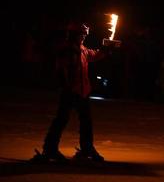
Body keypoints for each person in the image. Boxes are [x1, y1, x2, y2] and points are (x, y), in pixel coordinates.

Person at [31, 23, 108, 162]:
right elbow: (61, 69)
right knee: (61, 120)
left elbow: (94, 55)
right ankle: (50, 149)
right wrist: (67, 86)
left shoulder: (82, 49)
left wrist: (106, 49)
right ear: (73, 35)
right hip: (71, 90)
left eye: (85, 34)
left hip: (82, 91)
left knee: (85, 121)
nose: (84, 37)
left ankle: (86, 148)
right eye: (81, 34)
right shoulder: (67, 50)